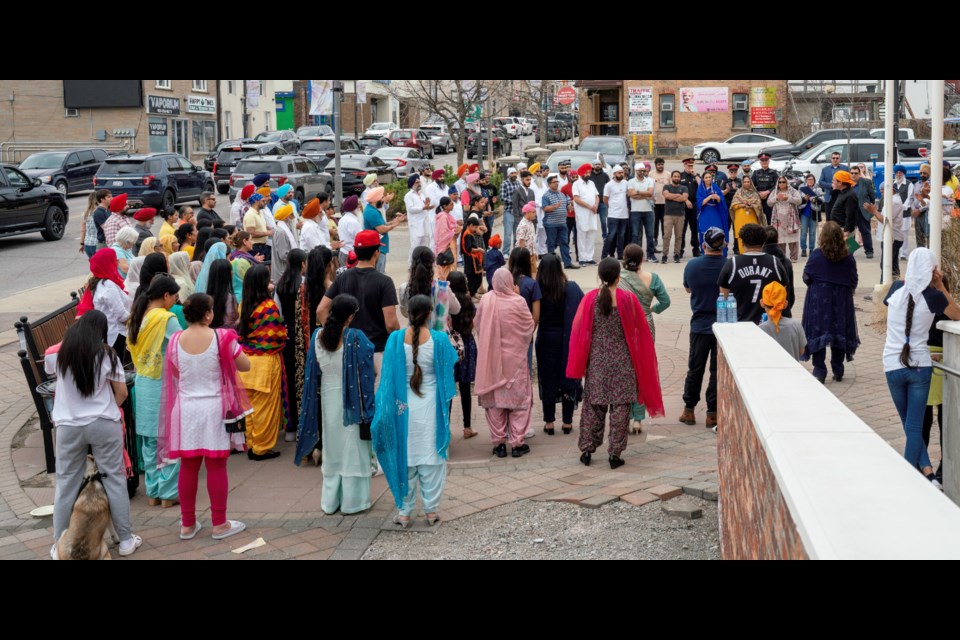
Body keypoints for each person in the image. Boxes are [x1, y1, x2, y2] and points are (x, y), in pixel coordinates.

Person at [47, 310, 140, 559]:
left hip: (68, 426)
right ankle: (125, 540)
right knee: (114, 479)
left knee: (66, 482)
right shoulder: (106, 354)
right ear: (100, 331)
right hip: (103, 423)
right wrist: (112, 408)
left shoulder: (59, 354)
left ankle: (59, 545)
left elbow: (52, 371)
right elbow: (121, 392)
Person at [156, 293, 250, 541]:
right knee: (216, 464)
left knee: (188, 465)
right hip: (213, 408)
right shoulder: (222, 337)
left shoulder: (175, 341)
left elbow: (176, 371)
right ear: (208, 314)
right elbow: (245, 365)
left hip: (185, 408)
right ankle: (219, 523)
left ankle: (187, 524)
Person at [567, 258, 664, 468]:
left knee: (594, 406)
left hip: (598, 362)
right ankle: (615, 454)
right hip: (623, 361)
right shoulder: (628, 299)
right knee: (621, 408)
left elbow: (578, 330)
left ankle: (586, 450)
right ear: (618, 277)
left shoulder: (591, 298)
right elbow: (642, 330)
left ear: (600, 276)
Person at [373, 294, 458, 527]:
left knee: (406, 461)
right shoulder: (439, 340)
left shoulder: (395, 340)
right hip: (431, 409)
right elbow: (451, 365)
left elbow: (387, 381)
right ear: (430, 313)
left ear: (407, 313)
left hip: (403, 410)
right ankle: (431, 512)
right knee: (431, 461)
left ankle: (404, 512)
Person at [883, 248, 960, 488]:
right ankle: (910, 479)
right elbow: (957, 315)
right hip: (920, 367)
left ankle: (926, 473)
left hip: (892, 364)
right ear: (932, 270)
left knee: (910, 425)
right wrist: (940, 286)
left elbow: (900, 301)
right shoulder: (933, 296)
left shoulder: (896, 290)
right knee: (915, 426)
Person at [297, 293, 376, 512]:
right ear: (350, 317)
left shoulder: (317, 337)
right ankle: (354, 503)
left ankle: (330, 502)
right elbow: (371, 370)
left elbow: (313, 373)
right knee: (353, 449)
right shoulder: (356, 338)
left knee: (333, 449)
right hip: (352, 404)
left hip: (328, 402)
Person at [127, 274, 182, 507]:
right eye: (175, 297)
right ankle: (169, 493)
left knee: (149, 442)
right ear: (166, 295)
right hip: (163, 384)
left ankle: (152, 492)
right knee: (169, 440)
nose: (176, 302)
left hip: (143, 382)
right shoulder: (165, 319)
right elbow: (180, 347)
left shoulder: (137, 317)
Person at [318, 229, 400, 379]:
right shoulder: (384, 282)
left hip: (350, 349)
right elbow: (390, 323)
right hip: (378, 350)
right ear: (376, 252)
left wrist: (337, 335)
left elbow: (321, 309)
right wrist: (398, 338)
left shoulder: (342, 277)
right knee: (377, 397)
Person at [475, 268, 535, 458]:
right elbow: (529, 326)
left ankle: (499, 444)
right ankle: (517, 444)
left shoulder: (486, 300)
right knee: (518, 403)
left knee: (495, 404)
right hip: (515, 361)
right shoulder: (519, 301)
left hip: (492, 362)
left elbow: (478, 324)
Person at [236, 265, 288, 460]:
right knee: (265, 411)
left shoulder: (244, 304)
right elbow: (277, 335)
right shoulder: (268, 307)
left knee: (250, 410)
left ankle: (252, 444)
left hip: (245, 363)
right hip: (265, 363)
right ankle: (262, 448)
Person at [618, 244, 670, 433]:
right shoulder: (653, 278)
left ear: (624, 257)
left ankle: (623, 414)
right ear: (642, 260)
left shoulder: (618, 278)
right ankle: (638, 419)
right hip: (646, 326)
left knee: (625, 369)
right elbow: (666, 301)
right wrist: (651, 310)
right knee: (642, 369)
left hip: (624, 326)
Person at [801, 222, 860, 383]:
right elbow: (853, 280)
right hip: (841, 299)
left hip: (819, 298)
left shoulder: (816, 255)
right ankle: (838, 368)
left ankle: (819, 370)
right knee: (838, 330)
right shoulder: (848, 257)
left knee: (819, 331)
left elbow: (806, 276)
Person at [680, 227, 727, 430]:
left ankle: (689, 409)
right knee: (716, 371)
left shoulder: (692, 265)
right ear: (723, 245)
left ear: (703, 245)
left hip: (699, 325)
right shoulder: (728, 265)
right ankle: (712, 413)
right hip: (723, 325)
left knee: (695, 368)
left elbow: (688, 288)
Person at [535, 254, 584, 436]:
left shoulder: (538, 289)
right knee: (567, 377)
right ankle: (567, 421)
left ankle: (549, 422)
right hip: (566, 341)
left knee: (547, 379)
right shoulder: (569, 288)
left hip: (546, 339)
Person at [719, 223, 785, 324]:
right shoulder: (775, 262)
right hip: (769, 324)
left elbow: (723, 297)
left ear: (741, 243)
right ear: (763, 242)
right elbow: (783, 293)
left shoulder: (732, 263)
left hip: (740, 324)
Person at [76, 247, 132, 361]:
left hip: (112, 334)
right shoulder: (108, 286)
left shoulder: (101, 282)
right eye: (114, 260)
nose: (117, 262)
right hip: (117, 336)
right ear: (107, 263)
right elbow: (122, 316)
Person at [276, 249, 308, 443]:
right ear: (302, 263)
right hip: (301, 334)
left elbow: (278, 312)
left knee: (288, 379)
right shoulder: (303, 285)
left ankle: (290, 426)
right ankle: (304, 424)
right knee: (303, 378)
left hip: (286, 334)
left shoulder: (280, 284)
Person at [447, 271, 478, 439]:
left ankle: (447, 426)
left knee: (449, 388)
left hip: (451, 344)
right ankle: (467, 427)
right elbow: (473, 322)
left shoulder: (447, 301)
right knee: (465, 388)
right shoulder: (467, 301)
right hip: (466, 344)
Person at [758, 282, 806, 361]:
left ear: (762, 303)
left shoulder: (759, 330)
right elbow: (801, 351)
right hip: (793, 372)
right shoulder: (796, 325)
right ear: (785, 304)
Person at [364, 187, 406, 273]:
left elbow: (382, 224)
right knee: (379, 274)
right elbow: (381, 229)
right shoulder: (371, 212)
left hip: (380, 248)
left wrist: (395, 221)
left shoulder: (374, 210)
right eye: (382, 197)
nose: (384, 200)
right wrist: (395, 224)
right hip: (377, 249)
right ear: (376, 199)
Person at [541, 173, 576, 269]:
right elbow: (545, 208)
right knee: (551, 244)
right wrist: (555, 206)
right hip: (551, 224)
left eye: (557, 182)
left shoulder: (562, 195)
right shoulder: (546, 196)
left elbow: (568, 204)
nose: (556, 183)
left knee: (564, 243)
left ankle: (567, 263)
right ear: (549, 184)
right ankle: (551, 265)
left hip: (562, 223)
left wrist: (570, 206)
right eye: (554, 182)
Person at [762, 226, 795, 317]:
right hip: (783, 311)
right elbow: (791, 293)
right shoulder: (786, 262)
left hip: (763, 313)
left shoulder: (760, 262)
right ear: (777, 240)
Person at [767, 176, 802, 262]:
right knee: (780, 239)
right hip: (779, 219)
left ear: (787, 183)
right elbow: (769, 203)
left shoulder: (793, 191)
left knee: (793, 238)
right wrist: (776, 198)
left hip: (791, 218)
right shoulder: (775, 192)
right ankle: (781, 257)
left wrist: (788, 198)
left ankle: (793, 257)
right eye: (780, 182)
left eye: (783, 182)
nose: (781, 184)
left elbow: (799, 201)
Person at [729, 175, 766, 255]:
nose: (746, 183)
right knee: (741, 237)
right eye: (745, 182)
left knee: (754, 236)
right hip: (740, 219)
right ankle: (743, 255)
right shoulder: (738, 193)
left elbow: (759, 206)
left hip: (752, 219)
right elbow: (733, 206)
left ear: (751, 182)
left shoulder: (755, 194)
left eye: (748, 182)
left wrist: (751, 205)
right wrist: (741, 205)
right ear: (742, 183)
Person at [696, 170, 729, 257]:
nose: (708, 179)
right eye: (706, 177)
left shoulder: (716, 187)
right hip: (705, 213)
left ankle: (720, 253)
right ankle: (705, 253)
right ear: (703, 179)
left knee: (718, 231)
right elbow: (700, 203)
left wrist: (717, 198)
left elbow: (721, 201)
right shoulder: (700, 189)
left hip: (715, 212)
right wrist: (710, 196)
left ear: (712, 178)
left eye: (709, 177)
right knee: (704, 231)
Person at [627, 163, 656, 260]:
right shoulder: (631, 182)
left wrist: (638, 192)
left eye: (644, 170)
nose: (643, 172)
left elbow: (651, 193)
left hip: (648, 211)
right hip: (635, 211)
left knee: (650, 234)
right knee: (635, 234)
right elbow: (631, 195)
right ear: (636, 171)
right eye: (641, 171)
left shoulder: (650, 181)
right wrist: (646, 195)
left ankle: (650, 255)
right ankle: (635, 256)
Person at [573, 163, 600, 265]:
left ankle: (589, 257)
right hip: (582, 213)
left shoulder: (591, 183)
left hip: (592, 212)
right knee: (582, 234)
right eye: (586, 172)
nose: (588, 174)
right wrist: (589, 207)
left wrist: (596, 205)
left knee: (591, 233)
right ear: (582, 173)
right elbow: (576, 199)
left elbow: (597, 196)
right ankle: (582, 258)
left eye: (589, 172)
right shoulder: (576, 184)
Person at [827, 170, 861, 247]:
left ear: (840, 183)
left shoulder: (850, 195)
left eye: (834, 180)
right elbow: (832, 195)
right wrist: (834, 189)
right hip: (838, 228)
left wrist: (847, 230)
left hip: (844, 229)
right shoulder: (842, 191)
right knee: (840, 254)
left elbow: (851, 215)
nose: (832, 182)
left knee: (846, 255)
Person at [404, 173, 434, 264]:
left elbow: (425, 207)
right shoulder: (408, 196)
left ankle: (422, 263)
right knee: (415, 244)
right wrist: (423, 208)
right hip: (415, 224)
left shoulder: (421, 195)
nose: (419, 184)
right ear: (412, 184)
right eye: (417, 182)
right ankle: (411, 264)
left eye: (419, 182)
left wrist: (427, 206)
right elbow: (410, 209)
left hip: (424, 222)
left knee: (424, 243)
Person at [662, 171, 689, 264]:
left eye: (678, 176)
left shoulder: (684, 187)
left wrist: (672, 196)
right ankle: (664, 255)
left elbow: (684, 198)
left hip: (680, 215)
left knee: (678, 236)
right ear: (672, 177)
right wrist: (678, 195)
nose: (676, 178)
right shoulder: (667, 187)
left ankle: (676, 254)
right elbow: (666, 195)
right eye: (675, 176)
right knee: (667, 236)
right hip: (668, 215)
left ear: (680, 178)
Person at [206, 259, 239, 331]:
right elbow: (229, 323)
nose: (232, 273)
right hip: (226, 336)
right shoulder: (229, 297)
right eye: (231, 270)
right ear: (227, 274)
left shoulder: (206, 297)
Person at [851, 164, 876, 256]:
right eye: (852, 173)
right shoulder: (848, 183)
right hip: (851, 211)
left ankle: (869, 251)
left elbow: (872, 196)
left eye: (855, 173)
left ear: (859, 174)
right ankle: (850, 251)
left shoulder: (866, 182)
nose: (853, 175)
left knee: (865, 231)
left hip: (863, 210)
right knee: (850, 232)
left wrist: (870, 208)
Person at [679, 158, 701, 258]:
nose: (690, 167)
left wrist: (695, 175)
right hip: (683, 205)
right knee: (682, 229)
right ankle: (680, 250)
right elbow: (677, 190)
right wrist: (685, 200)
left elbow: (702, 186)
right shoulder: (680, 176)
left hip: (694, 205)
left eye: (692, 165)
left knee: (695, 228)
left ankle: (696, 249)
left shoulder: (696, 176)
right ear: (684, 165)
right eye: (689, 166)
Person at [460, 214, 486, 296]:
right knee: (473, 279)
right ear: (471, 225)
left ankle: (473, 294)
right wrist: (479, 249)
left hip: (472, 259)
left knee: (476, 278)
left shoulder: (469, 233)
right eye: (475, 227)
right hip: (471, 260)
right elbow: (469, 249)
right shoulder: (468, 234)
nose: (475, 230)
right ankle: (471, 294)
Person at [798, 174, 823, 258]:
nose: (810, 181)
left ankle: (812, 249)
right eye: (808, 179)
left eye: (812, 179)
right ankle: (803, 249)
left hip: (814, 212)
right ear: (806, 180)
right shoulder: (801, 188)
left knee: (812, 232)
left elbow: (822, 200)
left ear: (814, 180)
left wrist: (813, 199)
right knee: (803, 232)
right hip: (804, 212)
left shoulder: (818, 188)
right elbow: (798, 200)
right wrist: (804, 198)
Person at [243, 193, 273, 262]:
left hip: (263, 246)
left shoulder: (260, 212)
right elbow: (251, 233)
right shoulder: (250, 215)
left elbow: (263, 225)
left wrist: (272, 229)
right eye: (263, 201)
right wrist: (267, 233)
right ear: (256, 201)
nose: (265, 202)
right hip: (255, 247)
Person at [752, 152, 779, 224]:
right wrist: (758, 193)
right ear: (760, 162)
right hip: (758, 200)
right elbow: (751, 186)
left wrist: (767, 192)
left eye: (766, 160)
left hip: (770, 200)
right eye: (762, 160)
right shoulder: (755, 173)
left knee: (770, 222)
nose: (764, 162)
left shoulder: (774, 173)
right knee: (758, 222)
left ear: (769, 161)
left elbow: (777, 186)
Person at [588, 160, 611, 241]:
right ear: (593, 166)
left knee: (603, 221)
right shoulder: (589, 175)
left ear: (601, 165)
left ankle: (605, 236)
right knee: (589, 220)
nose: (597, 165)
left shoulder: (605, 175)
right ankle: (589, 237)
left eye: (599, 164)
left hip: (602, 202)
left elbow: (609, 186)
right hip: (591, 202)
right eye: (596, 164)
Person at [650, 158, 670, 250]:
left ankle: (665, 243)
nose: (660, 166)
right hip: (654, 204)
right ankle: (654, 242)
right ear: (655, 165)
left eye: (662, 164)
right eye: (659, 164)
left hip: (665, 204)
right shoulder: (651, 174)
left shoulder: (668, 174)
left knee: (664, 225)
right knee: (654, 224)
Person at [512, 171, 536, 247]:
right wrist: (518, 220)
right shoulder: (517, 191)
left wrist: (534, 219)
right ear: (522, 179)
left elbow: (533, 206)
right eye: (527, 180)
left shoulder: (531, 192)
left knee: (530, 240)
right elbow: (515, 207)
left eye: (530, 180)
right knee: (519, 240)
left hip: (530, 220)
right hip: (520, 220)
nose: (529, 182)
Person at [336, 195, 363, 265]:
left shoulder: (342, 219)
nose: (359, 208)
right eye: (358, 206)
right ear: (355, 208)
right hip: (351, 255)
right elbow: (360, 237)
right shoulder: (353, 221)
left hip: (343, 252)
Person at [434, 196, 460, 262]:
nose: (453, 205)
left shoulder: (447, 215)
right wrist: (455, 231)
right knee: (447, 265)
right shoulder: (443, 216)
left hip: (451, 242)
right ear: (445, 206)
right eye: (451, 204)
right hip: (446, 245)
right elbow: (443, 233)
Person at [500, 167, 519, 251]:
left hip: (517, 212)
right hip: (509, 212)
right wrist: (514, 201)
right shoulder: (504, 184)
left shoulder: (518, 183)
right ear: (508, 174)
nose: (514, 174)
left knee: (517, 233)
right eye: (512, 173)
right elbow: (502, 197)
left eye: (515, 173)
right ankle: (506, 252)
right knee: (508, 234)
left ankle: (516, 251)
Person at [80, 192, 100, 258]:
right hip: (97, 244)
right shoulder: (100, 212)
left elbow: (83, 230)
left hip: (87, 244)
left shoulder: (85, 213)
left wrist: (82, 244)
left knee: (93, 265)